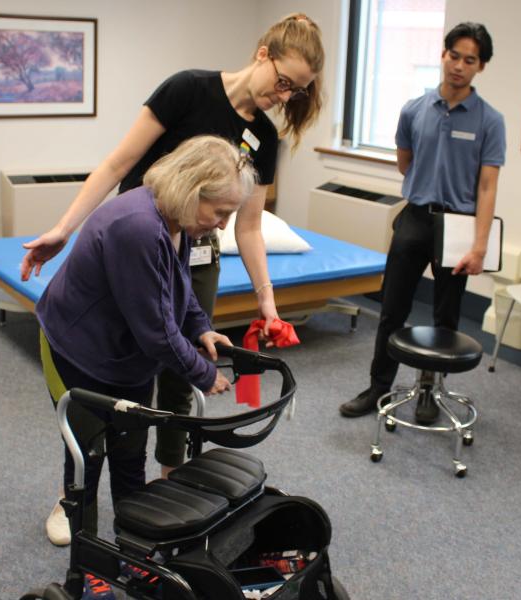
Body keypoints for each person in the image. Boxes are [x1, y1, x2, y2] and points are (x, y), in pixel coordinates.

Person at [22, 14, 325, 545]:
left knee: (161, 390)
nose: (285, 96)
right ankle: (78, 495)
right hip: (132, 252)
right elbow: (119, 163)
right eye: (284, 81)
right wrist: (64, 231)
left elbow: (241, 232)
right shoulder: (187, 91)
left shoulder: (254, 152)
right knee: (104, 412)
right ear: (263, 53)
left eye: (297, 92)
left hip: (179, 239)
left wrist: (262, 307)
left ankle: (155, 500)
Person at [38, 135, 254, 539]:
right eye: (221, 212)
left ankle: (132, 541)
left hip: (126, 352)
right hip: (75, 349)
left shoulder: (179, 219)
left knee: (130, 449)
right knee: (88, 451)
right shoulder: (137, 226)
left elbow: (179, 287)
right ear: (192, 190)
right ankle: (81, 546)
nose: (224, 224)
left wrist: (200, 327)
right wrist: (205, 375)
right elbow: (156, 332)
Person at [339, 22, 506, 421]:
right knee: (392, 309)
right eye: (454, 56)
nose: (459, 66)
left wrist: (479, 245)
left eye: (470, 60)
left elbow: (487, 187)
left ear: (480, 67)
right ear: (443, 55)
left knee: (445, 316)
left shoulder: (489, 121)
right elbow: (405, 162)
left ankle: (429, 389)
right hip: (414, 217)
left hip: (458, 226)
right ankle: (379, 386)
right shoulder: (414, 109)